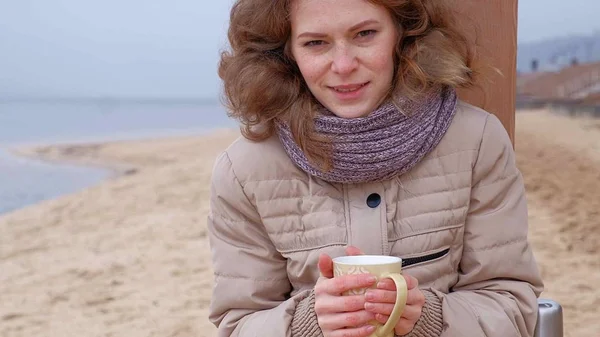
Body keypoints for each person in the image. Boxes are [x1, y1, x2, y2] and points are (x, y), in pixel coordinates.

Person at [207, 0, 544, 336]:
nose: (343, 65)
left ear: (403, 33)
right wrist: (307, 323)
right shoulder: (243, 170)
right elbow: (238, 324)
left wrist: (428, 319)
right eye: (315, 43)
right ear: (287, 52)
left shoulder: (477, 140)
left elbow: (512, 306)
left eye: (365, 34)